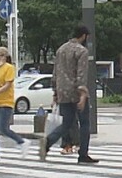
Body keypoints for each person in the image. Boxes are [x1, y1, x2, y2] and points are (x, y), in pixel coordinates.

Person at [42, 24, 98, 164]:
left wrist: (55, 92)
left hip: (62, 92)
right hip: (76, 92)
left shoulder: (61, 49)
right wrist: (83, 94)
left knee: (66, 123)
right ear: (84, 36)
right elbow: (81, 74)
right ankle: (83, 154)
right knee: (85, 123)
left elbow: (55, 72)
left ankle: (47, 142)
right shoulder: (82, 51)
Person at [0, 47, 30, 161]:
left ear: (4, 56)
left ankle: (21, 141)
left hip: (5, 102)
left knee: (2, 127)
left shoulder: (9, 68)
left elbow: (7, 85)